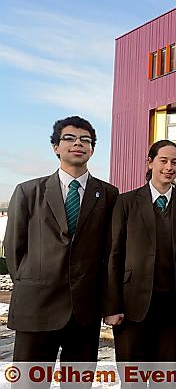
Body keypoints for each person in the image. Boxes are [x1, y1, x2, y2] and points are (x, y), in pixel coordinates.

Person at [4, 116, 118, 363]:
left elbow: (110, 252)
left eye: (85, 140)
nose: (78, 143)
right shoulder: (28, 191)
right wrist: (32, 283)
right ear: (56, 147)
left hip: (84, 311)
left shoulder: (108, 194)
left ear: (92, 149)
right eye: (70, 138)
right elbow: (14, 250)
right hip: (36, 306)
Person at [103, 140, 176, 363]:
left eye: (175, 162)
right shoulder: (126, 202)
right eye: (163, 161)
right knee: (133, 375)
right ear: (149, 163)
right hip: (132, 306)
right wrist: (112, 305)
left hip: (174, 306)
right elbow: (114, 255)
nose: (169, 167)